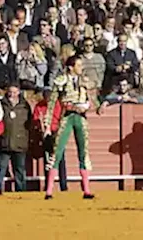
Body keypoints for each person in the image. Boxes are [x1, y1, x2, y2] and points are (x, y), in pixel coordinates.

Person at [44, 55, 95, 199]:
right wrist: (48, 125)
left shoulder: (84, 81)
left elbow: (92, 100)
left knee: (83, 152)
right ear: (71, 67)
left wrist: (88, 105)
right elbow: (52, 104)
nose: (81, 68)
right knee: (57, 152)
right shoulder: (61, 80)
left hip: (81, 118)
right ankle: (49, 191)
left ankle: (86, 190)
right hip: (67, 117)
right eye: (78, 65)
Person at [0, 84, 32, 193]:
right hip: (4, 141)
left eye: (14, 92)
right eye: (10, 92)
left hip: (20, 142)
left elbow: (29, 123)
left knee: (20, 169)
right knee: (0, 169)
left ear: (18, 92)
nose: (12, 94)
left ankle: (21, 191)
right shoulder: (1, 104)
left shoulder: (25, 106)